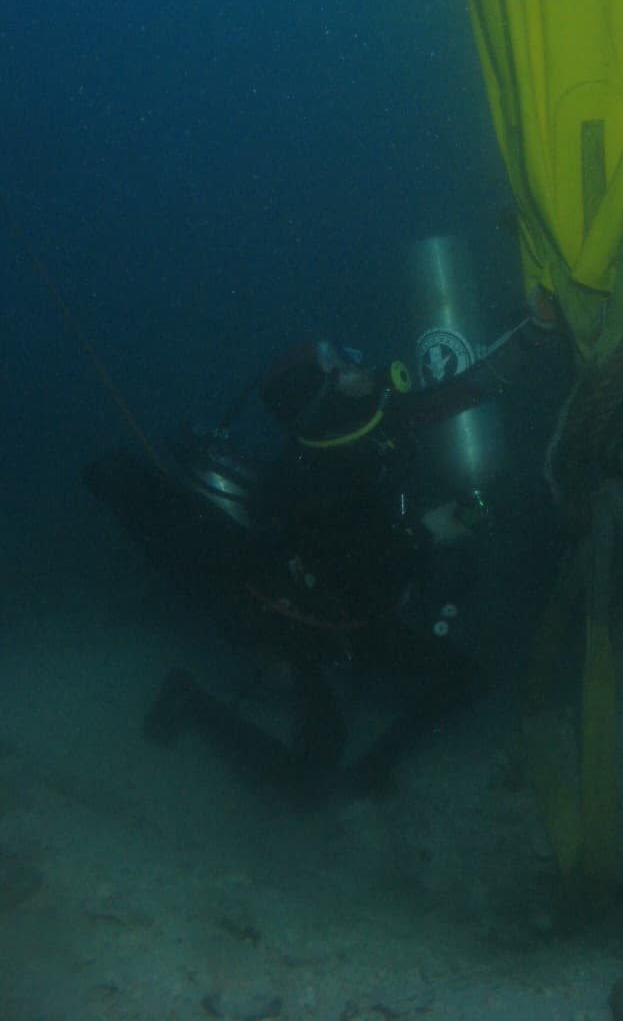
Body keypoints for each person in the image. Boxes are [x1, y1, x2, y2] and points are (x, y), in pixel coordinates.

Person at [85, 338, 490, 804]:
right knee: (305, 784)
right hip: (317, 631)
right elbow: (348, 575)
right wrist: (423, 535)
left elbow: (466, 393)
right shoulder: (306, 476)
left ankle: (370, 774)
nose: (355, 364)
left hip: (362, 618)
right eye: (335, 365)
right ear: (319, 396)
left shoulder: (374, 432)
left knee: (466, 679)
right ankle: (191, 701)